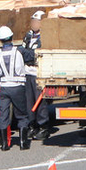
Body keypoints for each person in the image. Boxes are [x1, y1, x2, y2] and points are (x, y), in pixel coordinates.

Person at [0, 26, 31, 151]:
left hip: (4, 87)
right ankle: (23, 143)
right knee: (22, 114)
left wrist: (1, 78)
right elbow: (32, 56)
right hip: (18, 85)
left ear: (0, 40)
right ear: (11, 37)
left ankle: (4, 144)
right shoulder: (19, 51)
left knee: (4, 115)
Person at [21, 10, 51, 140]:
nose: (33, 24)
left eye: (36, 22)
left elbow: (36, 55)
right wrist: (28, 54)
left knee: (40, 101)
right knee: (28, 101)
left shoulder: (45, 37)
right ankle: (32, 125)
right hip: (27, 72)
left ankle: (43, 126)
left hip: (38, 72)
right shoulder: (28, 36)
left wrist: (28, 54)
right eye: (32, 21)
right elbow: (22, 52)